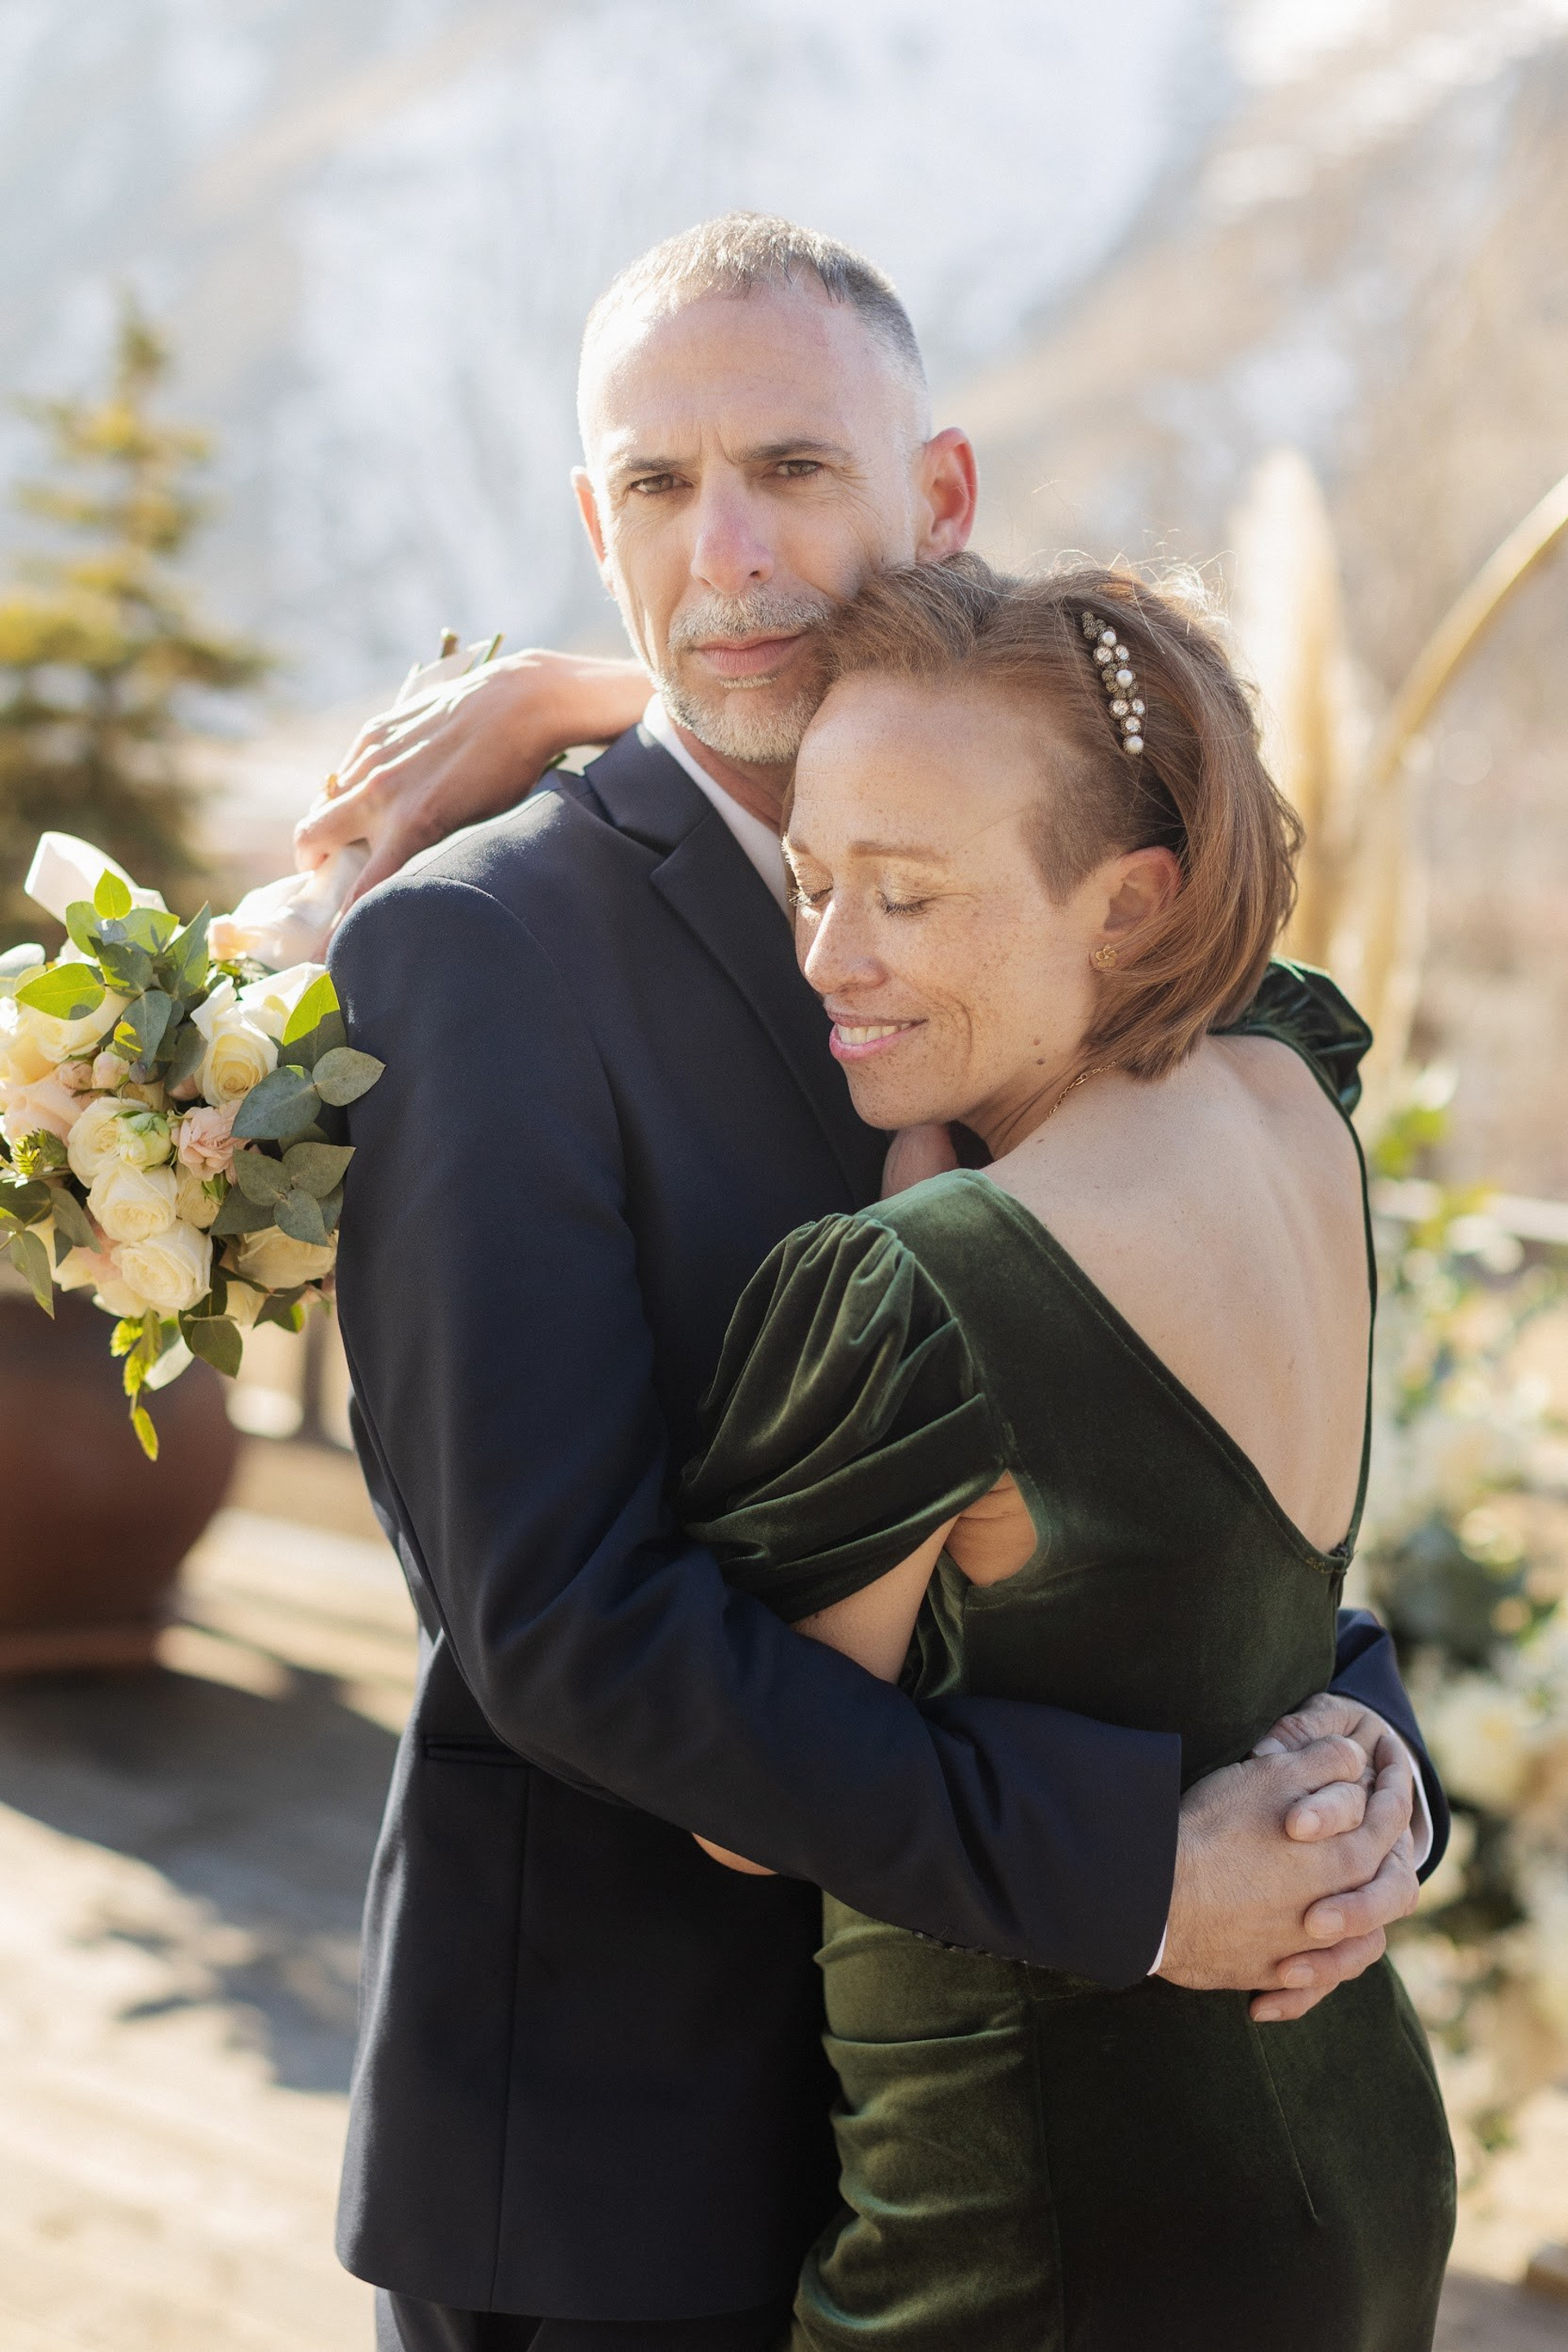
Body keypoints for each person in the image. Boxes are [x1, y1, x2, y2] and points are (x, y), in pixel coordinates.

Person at [323, 216, 1443, 2351]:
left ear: (938, 495)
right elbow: (560, 1625)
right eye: (658, 487)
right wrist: (1141, 1874)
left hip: (1026, 2167)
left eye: (792, 469)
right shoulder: (478, 955)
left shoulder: (1085, 892)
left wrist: (1355, 1755)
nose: (727, 550)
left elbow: (1176, 1449)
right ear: (595, 529)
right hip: (622, 2161)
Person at [676, 553, 1456, 2349]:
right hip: (1350, 2141)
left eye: (908, 896)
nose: (830, 957)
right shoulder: (1291, 1086)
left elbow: (753, 1803)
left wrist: (916, 1220)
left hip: (1047, 2241)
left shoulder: (920, 1293)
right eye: (809, 878)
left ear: (1132, 901)